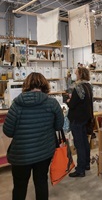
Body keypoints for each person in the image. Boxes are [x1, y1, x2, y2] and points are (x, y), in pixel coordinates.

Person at [3, 72, 64, 200]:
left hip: (21, 154)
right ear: (44, 85)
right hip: (44, 152)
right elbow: (59, 126)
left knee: (20, 186)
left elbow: (8, 131)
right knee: (41, 182)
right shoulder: (52, 103)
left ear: (27, 85)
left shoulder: (16, 105)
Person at [67, 67, 93, 177]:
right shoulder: (89, 86)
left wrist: (69, 100)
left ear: (80, 74)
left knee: (79, 143)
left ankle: (80, 169)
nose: (75, 74)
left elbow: (72, 104)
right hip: (85, 118)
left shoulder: (78, 87)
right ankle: (86, 163)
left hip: (77, 118)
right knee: (84, 142)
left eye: (76, 73)